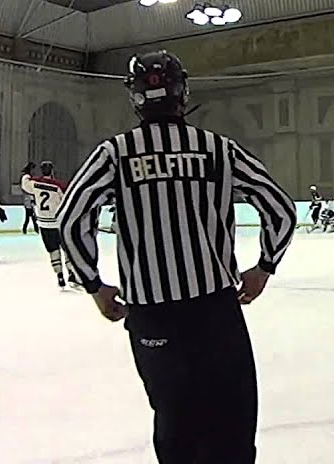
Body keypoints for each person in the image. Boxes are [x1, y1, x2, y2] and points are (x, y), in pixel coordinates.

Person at [56, 50, 295, 464]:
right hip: (215, 312)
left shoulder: (115, 153)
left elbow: (71, 217)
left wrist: (94, 285)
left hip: (152, 314)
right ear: (183, 92)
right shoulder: (218, 149)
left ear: (134, 98)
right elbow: (280, 207)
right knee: (232, 423)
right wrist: (265, 266)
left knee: (175, 423)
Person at [21, 161, 76, 289]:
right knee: (66, 249)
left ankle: (60, 275)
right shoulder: (59, 186)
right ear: (52, 171)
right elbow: (67, 204)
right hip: (58, 223)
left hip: (44, 224)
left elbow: (25, 184)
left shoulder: (35, 184)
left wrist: (26, 173)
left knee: (53, 251)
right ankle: (71, 273)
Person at [20, 162, 38, 234]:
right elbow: (28, 189)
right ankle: (29, 229)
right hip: (29, 200)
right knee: (30, 217)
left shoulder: (27, 177)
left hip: (29, 200)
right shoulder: (27, 177)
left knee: (30, 217)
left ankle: (26, 229)